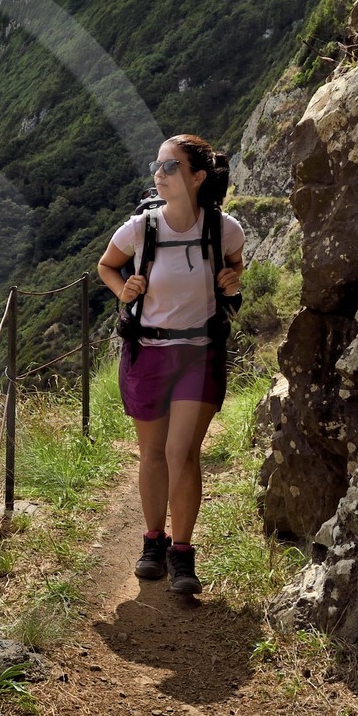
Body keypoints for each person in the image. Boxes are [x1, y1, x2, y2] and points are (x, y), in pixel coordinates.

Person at [95, 134, 244, 595]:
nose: (159, 174)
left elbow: (235, 275)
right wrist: (124, 291)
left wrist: (233, 279)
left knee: (183, 453)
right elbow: (106, 266)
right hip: (149, 351)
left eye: (170, 167)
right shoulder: (141, 229)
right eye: (157, 165)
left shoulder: (225, 230)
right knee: (154, 453)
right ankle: (153, 542)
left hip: (200, 353)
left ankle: (182, 553)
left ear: (197, 177)